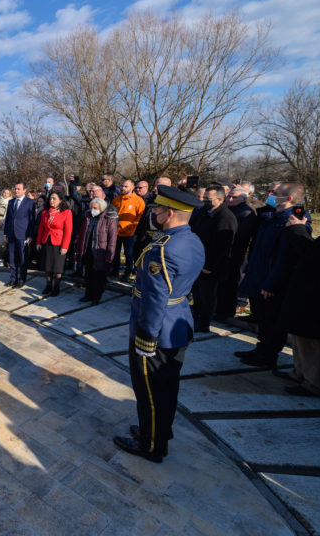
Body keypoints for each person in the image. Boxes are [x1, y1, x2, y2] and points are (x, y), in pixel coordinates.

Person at [113, 186, 205, 463]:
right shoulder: (192, 240)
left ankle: (151, 445)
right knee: (168, 386)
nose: (153, 213)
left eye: (158, 209)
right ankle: (160, 431)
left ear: (170, 213)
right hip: (178, 322)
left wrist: (146, 336)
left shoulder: (162, 251)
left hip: (158, 329)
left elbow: (154, 299)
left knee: (149, 392)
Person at [236, 183, 311, 367]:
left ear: (289, 199)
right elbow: (259, 247)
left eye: (274, 193)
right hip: (260, 273)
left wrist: (272, 284)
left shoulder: (295, 219)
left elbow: (286, 257)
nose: (269, 195)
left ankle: (268, 355)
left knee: (272, 321)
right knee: (263, 318)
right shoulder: (271, 215)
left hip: (273, 280)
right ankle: (260, 349)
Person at [277, 228, 320, 397]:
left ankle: (314, 383)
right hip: (307, 295)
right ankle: (300, 373)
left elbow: (312, 254)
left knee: (311, 343)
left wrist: (298, 229)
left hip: (315, 299)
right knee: (300, 339)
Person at [189, 186, 237, 332]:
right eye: (204, 198)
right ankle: (195, 318)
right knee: (197, 293)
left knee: (207, 296)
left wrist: (209, 265)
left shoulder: (225, 218)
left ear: (220, 199)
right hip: (197, 260)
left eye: (207, 199)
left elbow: (222, 246)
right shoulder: (203, 212)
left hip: (210, 266)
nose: (204, 201)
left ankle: (204, 323)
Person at [215, 188, 257, 320]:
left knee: (230, 284)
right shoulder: (230, 209)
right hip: (224, 253)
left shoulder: (246, 213)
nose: (230, 199)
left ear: (244, 199)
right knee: (221, 283)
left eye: (235, 198)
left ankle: (227, 311)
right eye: (229, 197)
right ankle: (219, 309)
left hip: (235, 254)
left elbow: (239, 236)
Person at [73, 198, 118, 305]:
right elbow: (82, 234)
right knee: (88, 275)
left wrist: (109, 256)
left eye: (95, 208)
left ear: (101, 209)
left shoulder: (109, 219)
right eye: (91, 207)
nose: (92, 210)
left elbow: (112, 239)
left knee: (99, 277)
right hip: (88, 251)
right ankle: (88, 295)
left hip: (100, 252)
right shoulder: (88, 217)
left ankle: (96, 297)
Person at [35, 191, 72, 296]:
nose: (51, 201)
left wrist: (65, 246)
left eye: (54, 198)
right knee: (47, 266)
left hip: (58, 243)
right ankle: (48, 285)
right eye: (50, 198)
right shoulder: (45, 212)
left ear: (60, 200)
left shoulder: (66, 212)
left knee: (57, 267)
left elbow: (68, 231)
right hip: (47, 241)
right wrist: (38, 242)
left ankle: (56, 287)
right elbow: (41, 228)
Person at [111, 179, 145, 280]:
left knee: (129, 254)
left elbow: (140, 218)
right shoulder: (116, 199)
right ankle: (115, 271)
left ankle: (128, 272)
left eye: (126, 186)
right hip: (116, 232)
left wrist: (134, 231)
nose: (123, 188)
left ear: (132, 187)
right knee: (115, 253)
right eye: (122, 186)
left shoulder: (138, 201)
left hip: (130, 233)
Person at [1, 183, 34, 288]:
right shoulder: (11, 202)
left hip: (23, 235)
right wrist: (5, 233)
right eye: (15, 189)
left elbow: (32, 221)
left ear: (24, 190)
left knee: (23, 259)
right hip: (11, 234)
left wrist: (30, 235)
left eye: (18, 189)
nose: (16, 191)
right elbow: (8, 219)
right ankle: (13, 279)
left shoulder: (30, 202)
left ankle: (21, 279)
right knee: (12, 258)